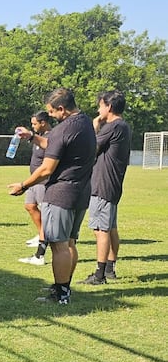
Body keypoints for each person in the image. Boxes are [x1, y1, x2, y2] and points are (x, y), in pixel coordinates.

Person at [9, 87, 96, 305]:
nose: (51, 116)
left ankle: (60, 293)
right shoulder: (85, 123)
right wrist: (32, 138)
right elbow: (55, 145)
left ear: (61, 109)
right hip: (81, 191)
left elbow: (47, 168)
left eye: (52, 112)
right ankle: (64, 285)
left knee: (59, 244)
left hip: (61, 193)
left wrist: (23, 185)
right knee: (70, 242)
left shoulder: (63, 128)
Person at [79, 90, 132, 285]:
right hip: (113, 185)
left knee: (101, 229)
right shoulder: (123, 126)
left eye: (100, 105)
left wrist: (94, 127)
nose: (98, 109)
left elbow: (90, 148)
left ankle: (99, 274)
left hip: (103, 185)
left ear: (108, 107)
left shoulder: (112, 126)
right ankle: (110, 268)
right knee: (110, 228)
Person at [18, 111, 52, 266]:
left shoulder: (50, 138)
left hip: (43, 181)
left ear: (43, 122)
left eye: (35, 123)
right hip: (33, 181)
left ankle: (40, 254)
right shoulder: (38, 139)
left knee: (46, 215)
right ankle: (41, 234)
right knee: (29, 206)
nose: (33, 126)